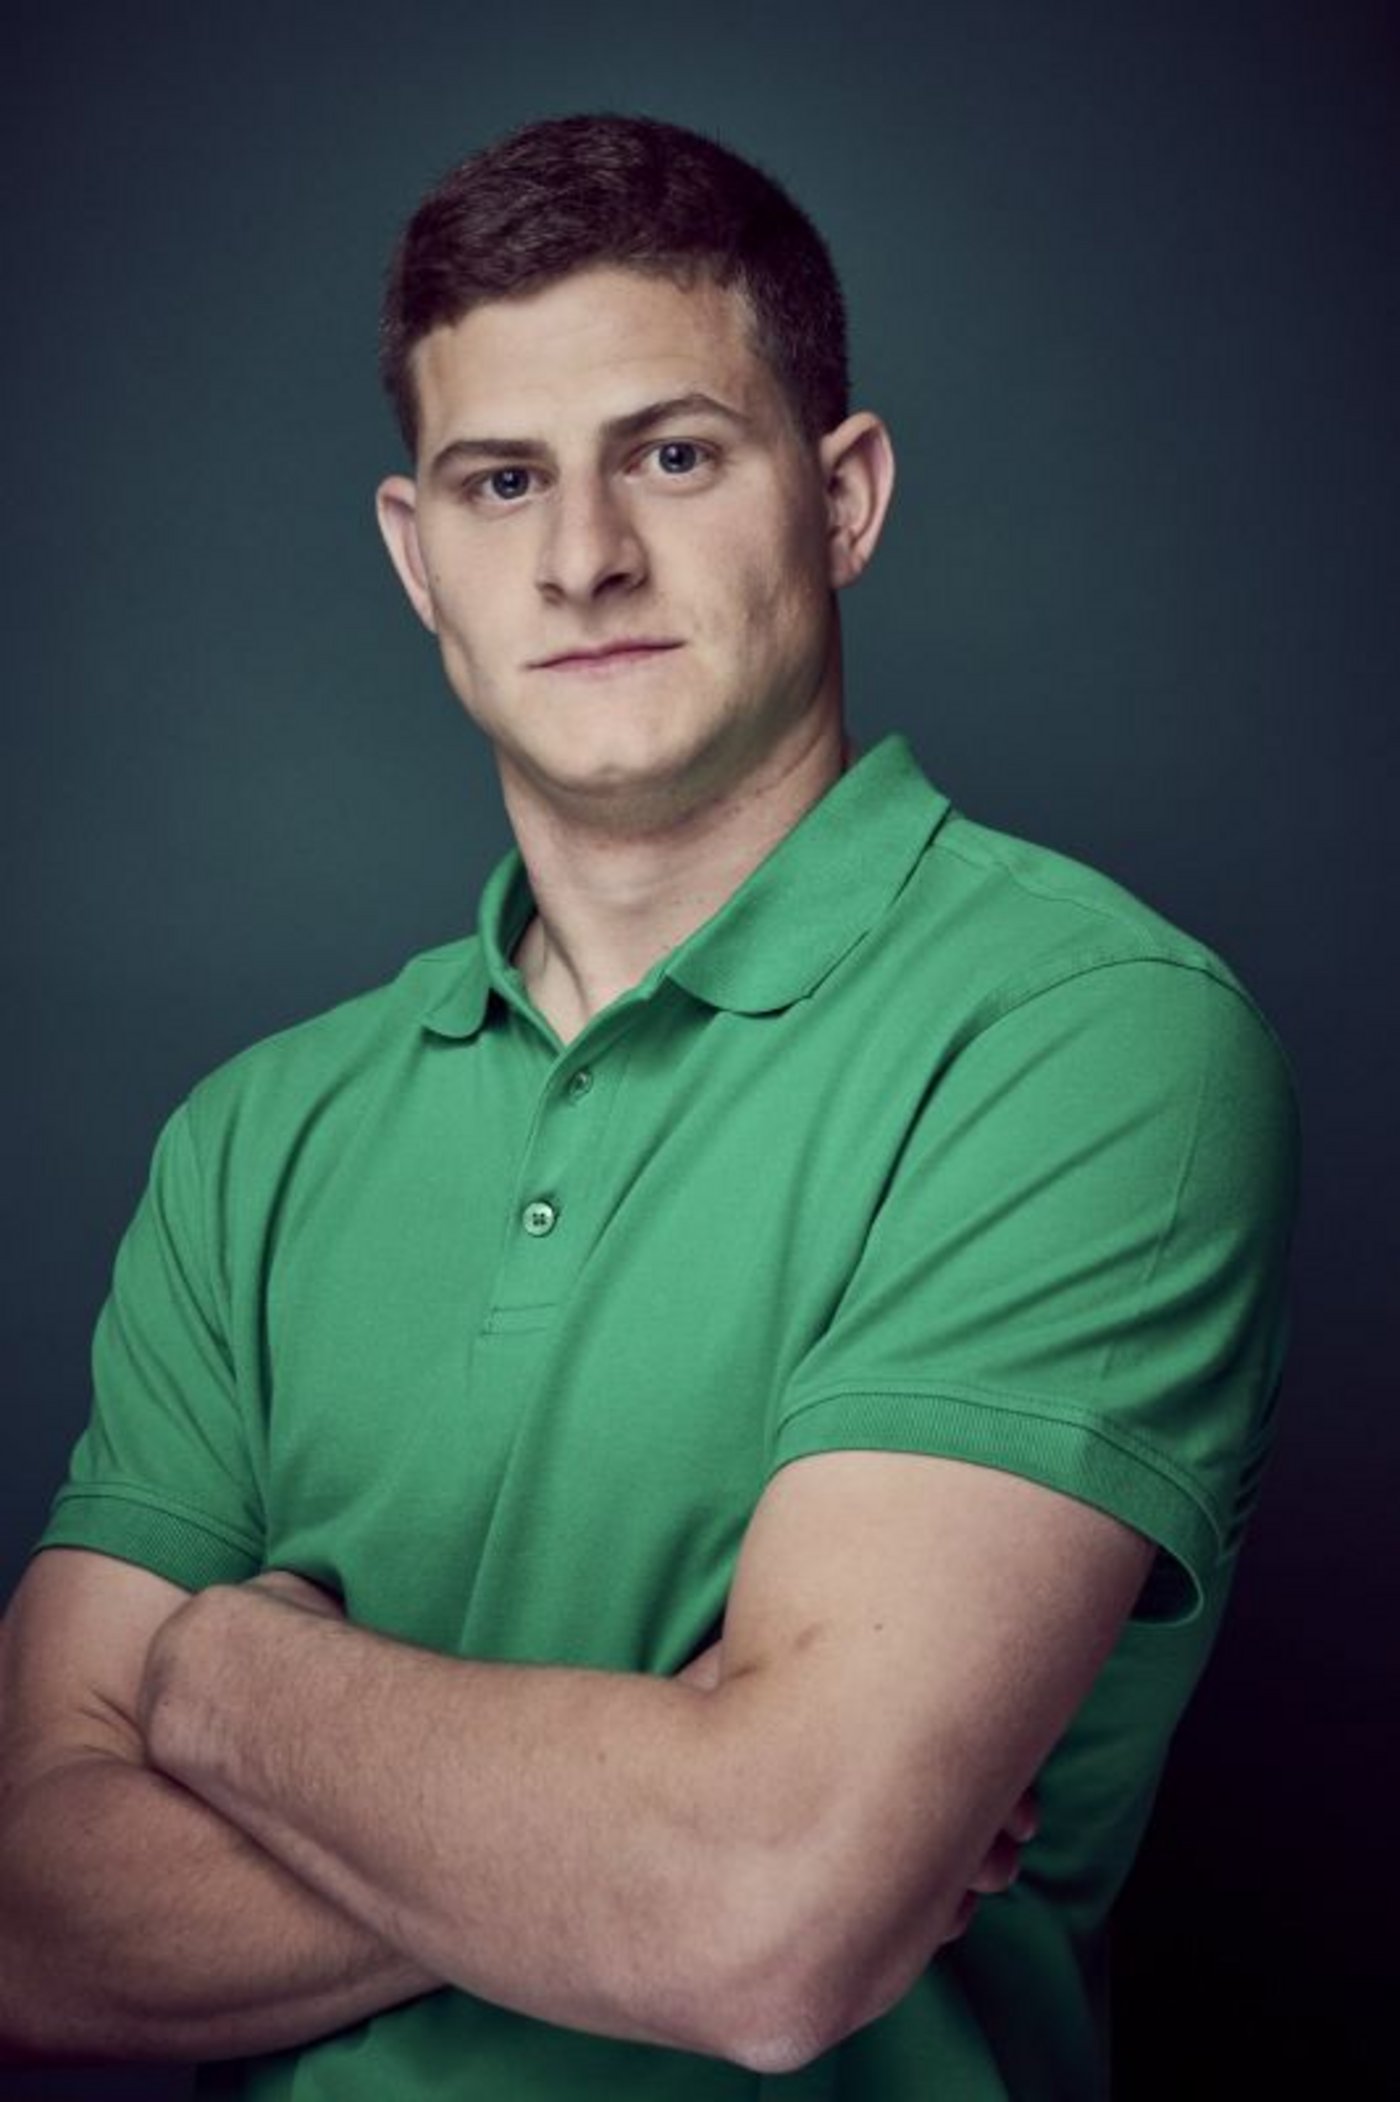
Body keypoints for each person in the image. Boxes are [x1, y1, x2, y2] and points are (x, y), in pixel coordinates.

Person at [0, 113, 1297, 2099]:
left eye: (673, 455)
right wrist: (667, 1803)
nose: (584, 554)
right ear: (416, 554)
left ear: (842, 498)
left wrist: (224, 1675)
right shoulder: (252, 1140)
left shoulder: (1086, 1036)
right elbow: (29, 1923)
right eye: (502, 480)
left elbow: (765, 1924)